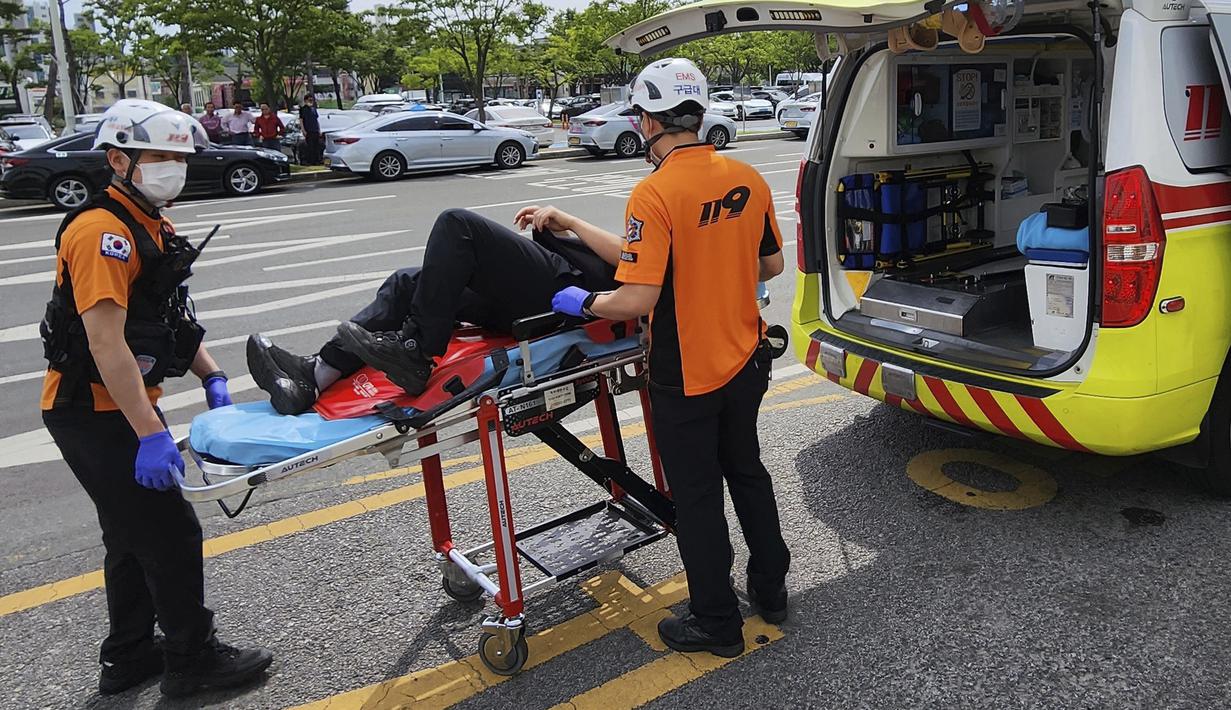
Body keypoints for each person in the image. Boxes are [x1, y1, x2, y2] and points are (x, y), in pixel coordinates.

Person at [531, 58, 791, 658]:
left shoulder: (654, 191)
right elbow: (769, 265)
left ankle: (716, 622)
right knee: (747, 471)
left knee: (697, 497)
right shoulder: (745, 177)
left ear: (649, 119)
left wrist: (584, 299)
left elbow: (639, 292)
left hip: (686, 372)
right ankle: (771, 587)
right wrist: (571, 224)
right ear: (696, 114)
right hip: (746, 359)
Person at [38, 99, 273, 698]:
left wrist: (212, 375)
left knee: (129, 535)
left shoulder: (151, 223)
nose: (174, 168)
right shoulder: (100, 232)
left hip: (118, 403)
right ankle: (191, 660)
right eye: (160, 157)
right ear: (119, 160)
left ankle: (128, 656)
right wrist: (149, 433)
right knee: (169, 534)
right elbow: (107, 344)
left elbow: (165, 317)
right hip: (91, 409)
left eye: (181, 157)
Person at [246, 208, 619, 415]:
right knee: (409, 281)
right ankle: (314, 377)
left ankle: (418, 351)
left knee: (458, 225)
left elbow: (633, 259)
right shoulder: (662, 178)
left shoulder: (665, 188)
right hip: (561, 283)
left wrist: (571, 223)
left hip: (573, 294)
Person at [298, 93, 322, 165]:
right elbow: (301, 120)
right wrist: (303, 130)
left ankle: (317, 160)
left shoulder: (313, 109)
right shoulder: (303, 109)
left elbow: (316, 120)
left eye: (312, 100)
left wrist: (319, 129)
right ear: (305, 100)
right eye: (309, 100)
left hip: (315, 130)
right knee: (310, 147)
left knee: (316, 146)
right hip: (308, 130)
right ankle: (311, 161)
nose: (311, 101)